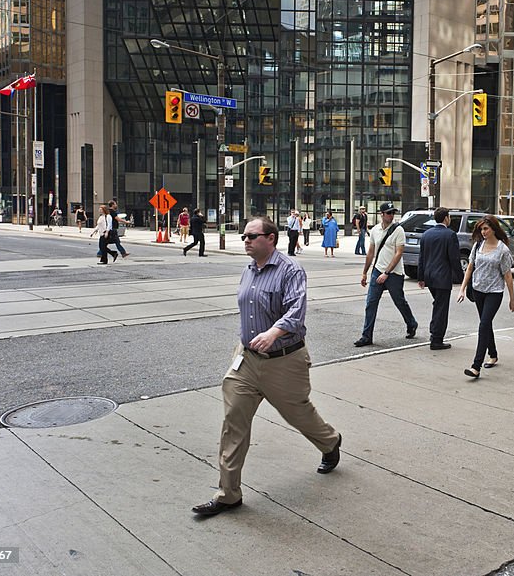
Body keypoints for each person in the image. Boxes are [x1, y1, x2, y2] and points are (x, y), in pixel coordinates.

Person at [192, 216, 341, 517]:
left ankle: (330, 442)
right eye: (243, 235)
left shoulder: (291, 270)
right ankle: (228, 493)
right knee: (233, 423)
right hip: (246, 360)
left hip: (284, 361)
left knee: (298, 413)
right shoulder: (249, 269)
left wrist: (274, 332)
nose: (245, 240)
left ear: (270, 238)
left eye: (251, 235)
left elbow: (296, 312)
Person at [459, 215, 514, 378]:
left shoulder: (502, 250)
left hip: (494, 292)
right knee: (486, 324)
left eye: (486, 228)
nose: (483, 232)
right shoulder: (478, 245)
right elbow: (470, 268)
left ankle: (476, 366)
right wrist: (462, 289)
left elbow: (507, 275)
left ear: (494, 228)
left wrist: (512, 299)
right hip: (478, 290)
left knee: (483, 324)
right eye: (481, 229)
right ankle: (493, 354)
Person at [353, 202, 418, 347]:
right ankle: (366, 336)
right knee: (370, 303)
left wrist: (387, 273)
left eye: (393, 213)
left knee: (399, 301)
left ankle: (411, 323)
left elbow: (399, 253)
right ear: (381, 214)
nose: (391, 215)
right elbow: (371, 253)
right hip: (377, 271)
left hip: (394, 273)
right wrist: (364, 273)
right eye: (388, 213)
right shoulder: (375, 230)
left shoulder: (398, 230)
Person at [417, 207, 462, 350]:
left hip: (430, 276)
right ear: (446, 218)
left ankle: (434, 334)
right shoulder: (450, 235)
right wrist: (462, 278)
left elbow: (421, 257)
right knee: (441, 308)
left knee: (438, 305)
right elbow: (454, 259)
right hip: (442, 277)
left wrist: (421, 276)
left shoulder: (426, 234)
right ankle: (436, 338)